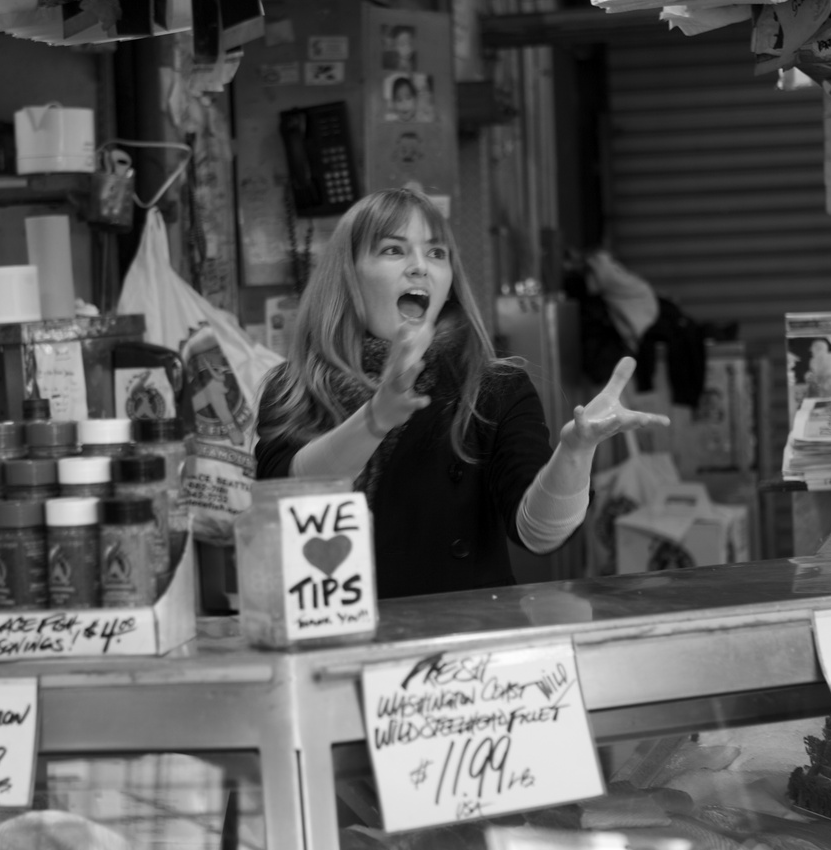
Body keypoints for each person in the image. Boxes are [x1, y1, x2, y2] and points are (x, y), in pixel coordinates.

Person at [256, 188, 668, 598]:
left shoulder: (493, 388)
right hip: (339, 640)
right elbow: (286, 497)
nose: (420, 267)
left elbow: (538, 533)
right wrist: (376, 417)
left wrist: (576, 451)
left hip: (466, 640)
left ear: (449, 283)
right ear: (347, 276)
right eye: (394, 250)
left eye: (436, 253)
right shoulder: (294, 386)